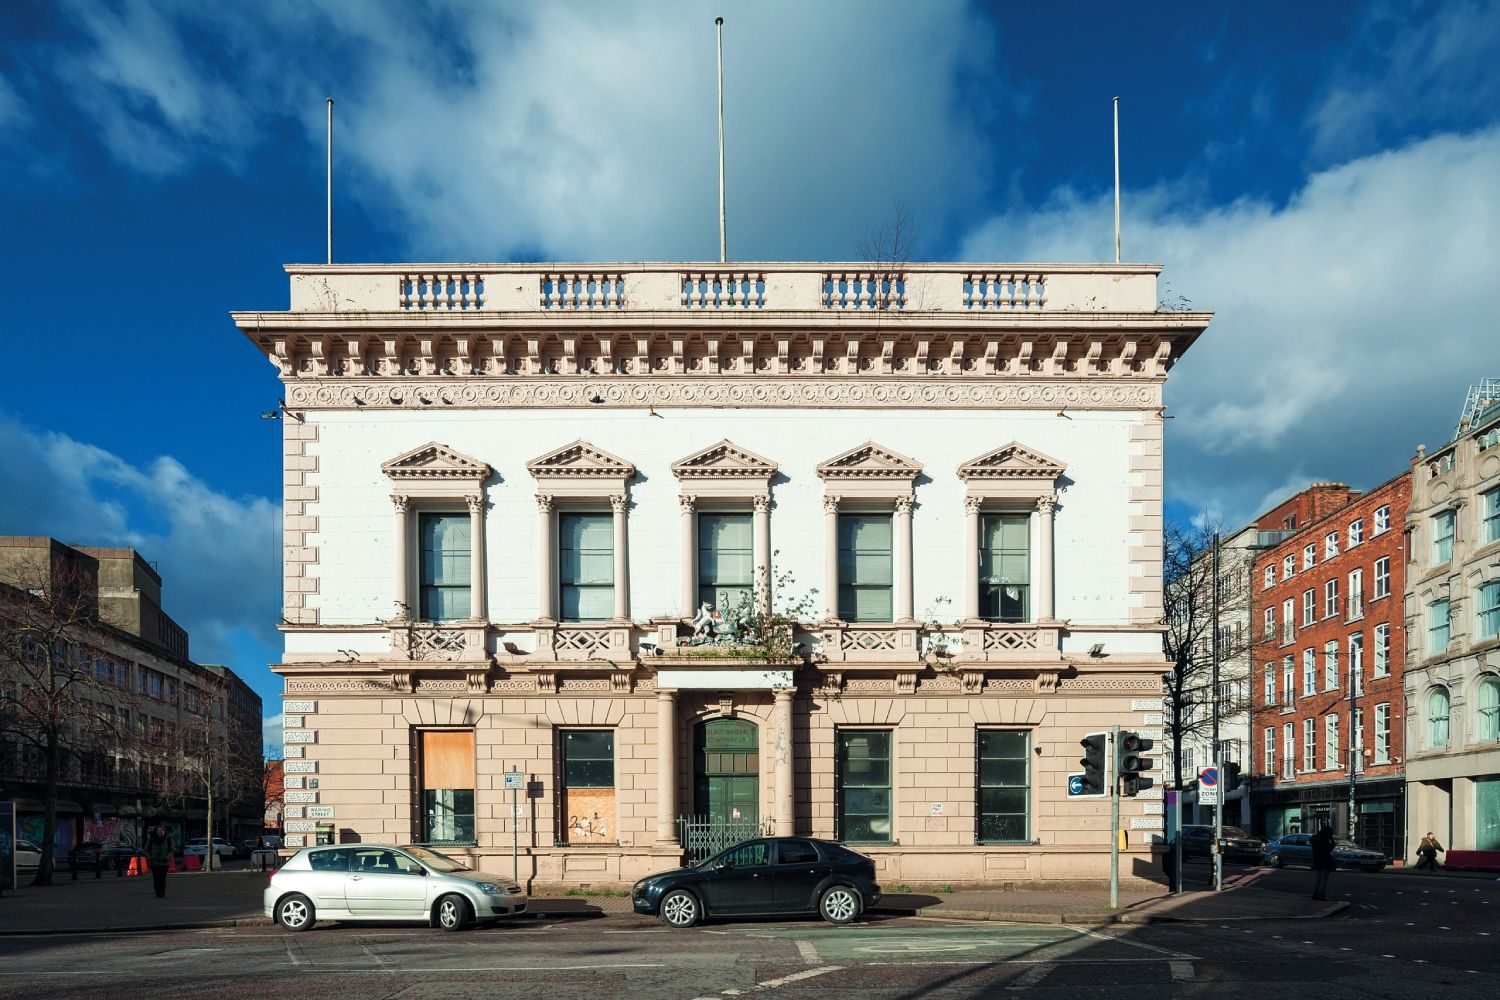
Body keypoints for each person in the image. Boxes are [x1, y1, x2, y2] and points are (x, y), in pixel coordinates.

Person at [145, 825, 174, 899]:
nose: (160, 831)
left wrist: (167, 857)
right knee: (156, 878)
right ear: (156, 831)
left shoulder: (168, 839)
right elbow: (146, 850)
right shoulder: (151, 839)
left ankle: (162, 892)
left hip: (164, 863)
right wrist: (150, 857)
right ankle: (157, 892)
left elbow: (172, 850)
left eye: (162, 830)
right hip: (154, 862)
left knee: (162, 878)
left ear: (164, 831)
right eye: (158, 830)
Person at [1310, 823, 1336, 901]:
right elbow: (1329, 849)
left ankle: (1315, 894)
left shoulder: (1315, 838)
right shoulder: (1324, 840)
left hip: (1317, 860)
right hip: (1325, 860)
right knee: (1324, 879)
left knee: (1318, 878)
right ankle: (1322, 895)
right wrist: (1331, 839)